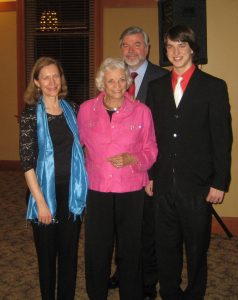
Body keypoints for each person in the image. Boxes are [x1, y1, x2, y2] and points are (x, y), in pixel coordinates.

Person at [146, 24, 232, 300]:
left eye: (181, 45)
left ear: (193, 49)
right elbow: (150, 137)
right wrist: (149, 174)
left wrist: (220, 181)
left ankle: (195, 293)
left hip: (197, 185)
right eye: (170, 46)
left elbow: (222, 138)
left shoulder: (214, 87)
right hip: (162, 183)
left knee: (197, 248)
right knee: (165, 246)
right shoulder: (156, 87)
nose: (176, 52)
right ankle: (169, 292)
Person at [77, 57, 158, 300]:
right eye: (110, 80)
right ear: (102, 83)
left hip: (130, 189)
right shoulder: (85, 110)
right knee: (97, 248)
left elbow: (152, 150)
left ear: (127, 82)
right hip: (97, 187)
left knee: (130, 248)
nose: (116, 85)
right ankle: (97, 294)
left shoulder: (142, 112)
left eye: (121, 79)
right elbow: (76, 147)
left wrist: (133, 159)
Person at [19, 56, 88, 300]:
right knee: (47, 258)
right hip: (43, 193)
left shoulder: (74, 110)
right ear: (36, 82)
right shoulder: (30, 116)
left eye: (55, 76)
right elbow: (27, 163)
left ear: (61, 79)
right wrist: (40, 202)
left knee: (69, 255)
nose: (52, 82)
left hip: (72, 193)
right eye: (45, 77)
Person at [109, 25, 168, 300]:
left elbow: (165, 133)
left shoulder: (162, 78)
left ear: (147, 48)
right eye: (126, 45)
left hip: (146, 170)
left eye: (137, 45)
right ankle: (122, 273)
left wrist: (153, 173)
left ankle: (147, 282)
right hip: (118, 172)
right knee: (121, 226)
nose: (131, 51)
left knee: (147, 231)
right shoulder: (112, 77)